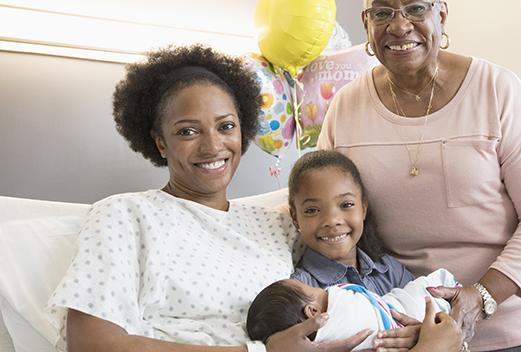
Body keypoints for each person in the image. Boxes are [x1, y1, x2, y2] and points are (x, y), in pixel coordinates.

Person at [43, 43, 461, 352]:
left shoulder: (277, 223)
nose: (212, 146)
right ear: (160, 142)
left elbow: (348, 276)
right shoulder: (124, 215)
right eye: (188, 131)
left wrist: (410, 326)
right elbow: (93, 343)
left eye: (226, 126)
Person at [317, 0, 521, 351]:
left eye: (417, 8)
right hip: (408, 332)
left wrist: (481, 297)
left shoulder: (497, 90)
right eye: (383, 12)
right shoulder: (346, 107)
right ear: (367, 24)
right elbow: (318, 200)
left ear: (442, 15)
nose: (400, 25)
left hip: (516, 330)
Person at [286, 149, 415, 295]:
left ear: (363, 208)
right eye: (312, 210)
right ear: (295, 218)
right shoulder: (300, 292)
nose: (333, 221)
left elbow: (425, 309)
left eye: (346, 205)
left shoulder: (390, 270)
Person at [247, 269, 459, 350]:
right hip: (409, 317)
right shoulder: (339, 306)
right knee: (422, 292)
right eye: (314, 289)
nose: (326, 291)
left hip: (396, 315)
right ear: (312, 312)